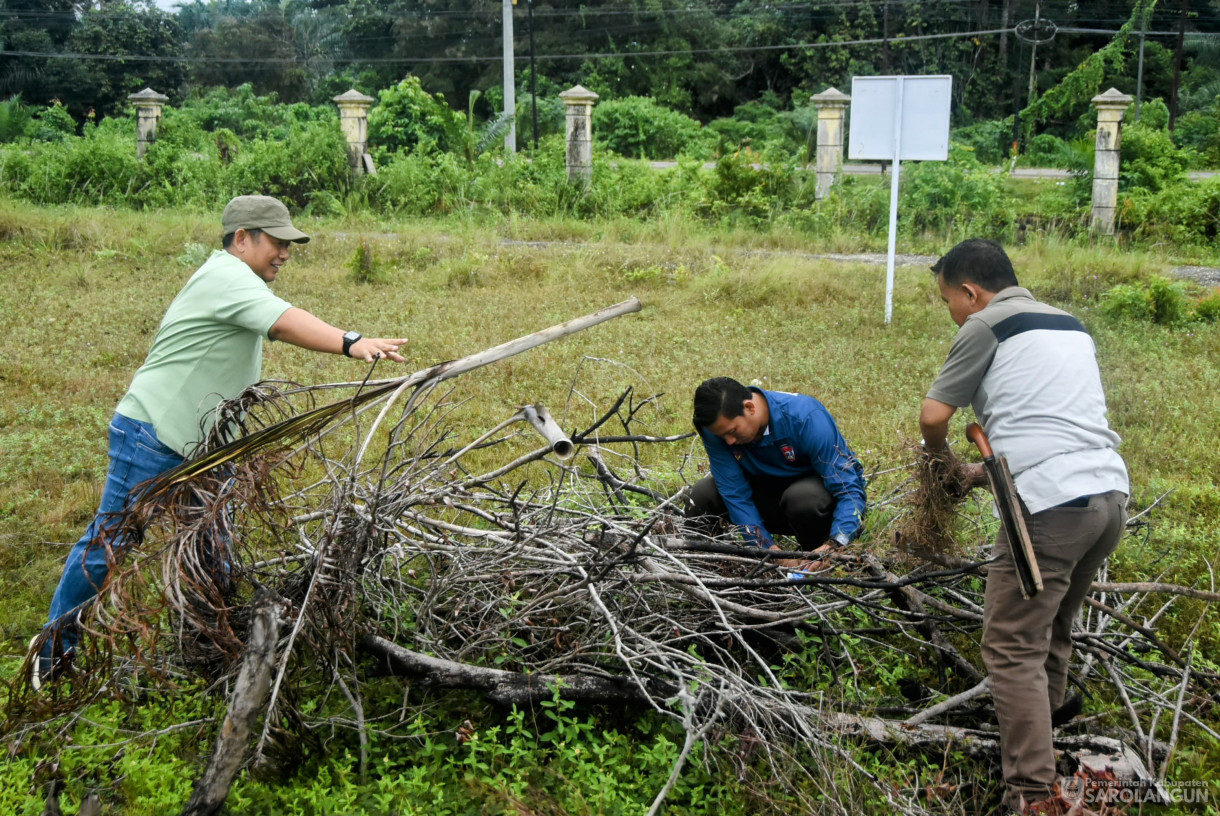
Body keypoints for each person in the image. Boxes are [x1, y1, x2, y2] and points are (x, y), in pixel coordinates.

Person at [29, 195, 408, 690]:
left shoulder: (236, 280)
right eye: (277, 242)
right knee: (111, 545)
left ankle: (209, 650)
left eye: (289, 244)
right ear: (243, 239)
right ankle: (52, 654)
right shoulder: (226, 277)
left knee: (212, 546)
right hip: (153, 434)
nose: (285, 254)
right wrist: (351, 341)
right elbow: (284, 321)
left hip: (206, 447)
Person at [918, 238, 1129, 815]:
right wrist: (976, 475)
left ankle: (1033, 795)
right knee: (1052, 629)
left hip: (1051, 509)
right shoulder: (1069, 324)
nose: (953, 314)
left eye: (949, 302)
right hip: (1107, 498)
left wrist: (935, 461)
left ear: (970, 291)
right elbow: (1045, 427)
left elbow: (934, 416)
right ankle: (1047, 733)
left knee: (1010, 646)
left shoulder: (987, 323)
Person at [686, 377, 867, 569]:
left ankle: (818, 563)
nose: (729, 442)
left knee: (802, 497)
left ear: (750, 408)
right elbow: (734, 494)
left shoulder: (805, 416)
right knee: (702, 494)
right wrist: (768, 551)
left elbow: (848, 489)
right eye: (723, 436)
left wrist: (837, 543)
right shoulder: (717, 430)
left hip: (812, 505)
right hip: (767, 501)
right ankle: (701, 575)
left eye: (733, 431)